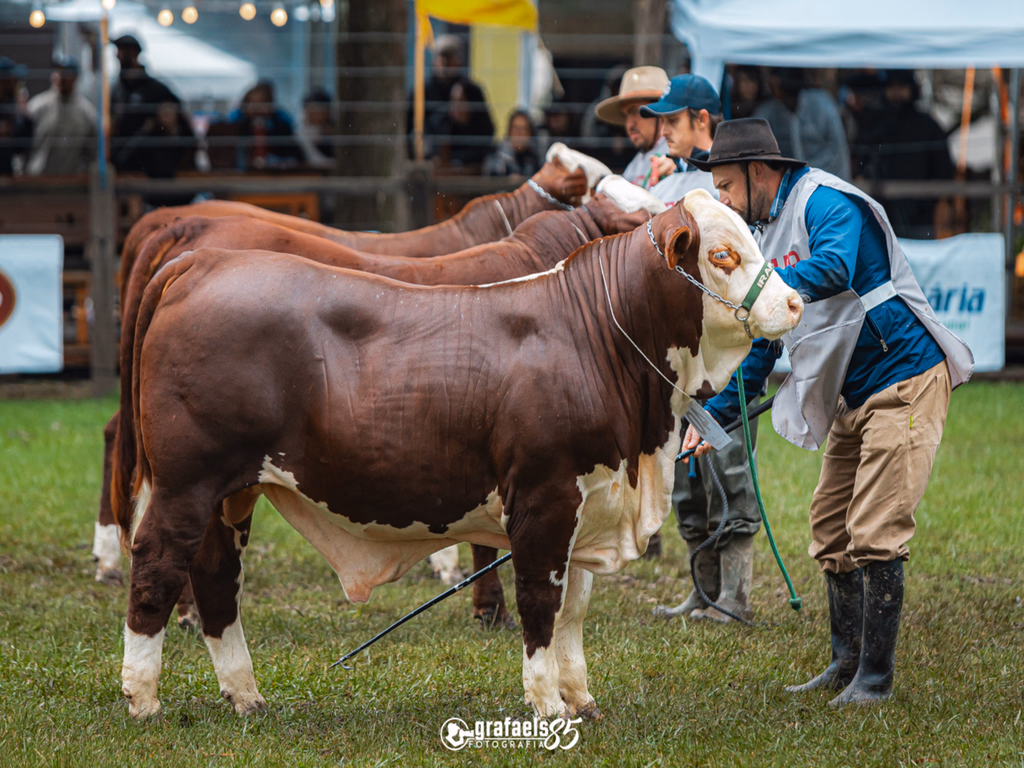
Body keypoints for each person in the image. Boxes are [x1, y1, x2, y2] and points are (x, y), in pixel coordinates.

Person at [684, 118, 973, 706]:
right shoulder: (762, 239)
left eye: (728, 188)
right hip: (851, 390)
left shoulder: (826, 199)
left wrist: (754, 287)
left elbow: (836, 267)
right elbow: (762, 346)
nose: (724, 200)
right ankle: (844, 662)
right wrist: (712, 417)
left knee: (875, 529)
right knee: (830, 526)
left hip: (906, 377)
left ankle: (876, 679)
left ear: (757, 172)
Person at [852, 70, 956, 239]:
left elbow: (943, 168)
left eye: (901, 86)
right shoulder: (874, 122)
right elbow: (862, 161)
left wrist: (930, 201)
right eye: (892, 86)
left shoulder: (927, 125)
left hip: (920, 212)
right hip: (880, 210)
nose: (896, 92)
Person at [110, 34, 196, 174]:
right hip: (125, 165)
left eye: (122, 50)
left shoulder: (155, 89)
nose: (117, 55)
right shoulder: (118, 90)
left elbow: (182, 125)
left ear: (133, 53)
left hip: (153, 166)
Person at [413, 35, 494, 170]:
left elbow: (487, 132)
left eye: (450, 57)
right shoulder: (422, 92)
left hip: (468, 166)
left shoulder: (472, 91)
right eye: (441, 57)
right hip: (432, 166)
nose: (445, 62)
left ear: (459, 60)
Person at [754, 68, 851, 180]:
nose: (773, 92)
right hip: (790, 181)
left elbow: (836, 149)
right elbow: (755, 129)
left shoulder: (821, 104)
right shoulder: (772, 109)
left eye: (776, 87)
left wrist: (806, 171)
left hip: (827, 178)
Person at [639, 75, 720, 205]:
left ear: (702, 119)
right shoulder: (660, 189)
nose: (663, 132)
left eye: (672, 120)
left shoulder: (727, 185)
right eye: (663, 122)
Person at [594, 65, 672, 191]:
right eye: (626, 115)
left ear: (660, 111)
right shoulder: (636, 163)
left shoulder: (678, 159)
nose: (629, 124)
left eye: (636, 111)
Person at [26, 58, 97, 176]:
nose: (61, 77)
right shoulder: (37, 107)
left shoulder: (87, 113)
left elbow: (93, 154)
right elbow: (21, 144)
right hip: (38, 181)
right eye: (57, 72)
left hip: (70, 184)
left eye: (66, 73)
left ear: (75, 78)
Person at [225, 80, 304, 171]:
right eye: (252, 103)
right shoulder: (237, 127)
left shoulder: (281, 127)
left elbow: (295, 156)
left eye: (261, 103)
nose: (257, 108)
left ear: (270, 105)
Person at [0, 56, 33, 176]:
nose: (17, 83)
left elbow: (23, 146)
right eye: (14, 79)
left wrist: (24, 115)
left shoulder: (11, 108)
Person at [483, 109, 541, 177]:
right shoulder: (496, 155)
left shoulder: (533, 157)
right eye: (516, 129)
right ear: (509, 132)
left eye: (524, 129)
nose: (520, 134)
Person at [296, 89, 335, 169]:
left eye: (314, 108)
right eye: (307, 107)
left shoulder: (333, 132)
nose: (310, 112)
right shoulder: (300, 133)